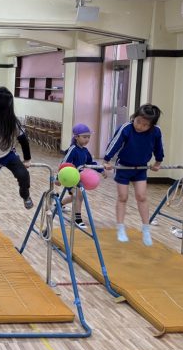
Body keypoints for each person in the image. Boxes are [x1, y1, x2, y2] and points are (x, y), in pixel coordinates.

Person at [103, 104, 164, 246]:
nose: (140, 126)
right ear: (134, 117)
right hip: (123, 167)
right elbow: (114, 144)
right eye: (138, 122)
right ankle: (120, 228)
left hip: (140, 168)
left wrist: (158, 162)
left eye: (145, 125)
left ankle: (146, 229)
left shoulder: (156, 131)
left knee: (142, 197)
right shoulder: (126, 128)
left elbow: (159, 147)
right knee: (123, 197)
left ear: (151, 125)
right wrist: (106, 160)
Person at [60, 123, 106, 228]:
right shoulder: (72, 149)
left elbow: (91, 163)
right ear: (76, 137)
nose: (87, 139)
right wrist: (58, 178)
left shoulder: (85, 151)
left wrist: (101, 170)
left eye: (88, 137)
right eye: (84, 137)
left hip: (79, 178)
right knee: (78, 195)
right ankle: (77, 219)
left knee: (75, 196)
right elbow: (64, 163)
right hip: (70, 177)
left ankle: (59, 204)